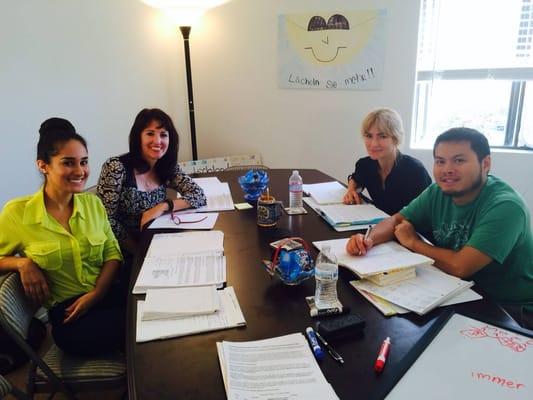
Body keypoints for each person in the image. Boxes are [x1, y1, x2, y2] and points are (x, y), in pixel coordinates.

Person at [347, 128, 533, 329]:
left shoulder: (505, 207)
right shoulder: (438, 191)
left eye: (459, 161)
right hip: (455, 290)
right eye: (440, 161)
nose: (447, 169)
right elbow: (395, 221)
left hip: (508, 308)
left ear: (485, 163)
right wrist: (368, 240)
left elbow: (461, 266)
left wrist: (413, 243)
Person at [0, 118, 124, 356]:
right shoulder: (17, 213)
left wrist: (97, 294)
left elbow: (112, 252)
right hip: (70, 316)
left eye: (84, 162)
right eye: (68, 163)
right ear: (43, 165)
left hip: (107, 292)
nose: (80, 171)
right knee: (139, 328)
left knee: (150, 316)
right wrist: (21, 263)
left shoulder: (93, 204)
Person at [97, 108, 207, 255]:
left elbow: (199, 195)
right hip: (122, 250)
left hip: (157, 243)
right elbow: (105, 220)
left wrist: (163, 206)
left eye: (163, 135)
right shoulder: (116, 167)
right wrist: (137, 251)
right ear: (138, 137)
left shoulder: (166, 166)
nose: (157, 141)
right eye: (150, 133)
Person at [343, 108, 432, 215]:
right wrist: (351, 190)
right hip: (379, 222)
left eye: (382, 136)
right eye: (369, 136)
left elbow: (425, 213)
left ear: (396, 139)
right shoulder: (365, 165)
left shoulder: (415, 171)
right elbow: (356, 178)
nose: (373, 144)